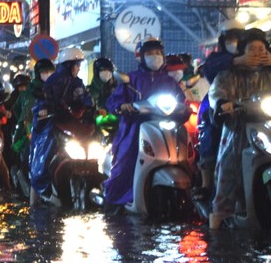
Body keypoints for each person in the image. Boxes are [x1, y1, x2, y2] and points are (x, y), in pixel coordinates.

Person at [208, 29, 271, 229]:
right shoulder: (228, 74)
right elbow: (216, 93)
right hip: (238, 131)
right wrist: (222, 104)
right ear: (242, 51)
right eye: (252, 49)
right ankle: (217, 221)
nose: (257, 53)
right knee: (228, 172)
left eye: (261, 49)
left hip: (269, 131)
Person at [103, 39, 184, 212]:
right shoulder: (131, 79)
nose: (155, 57)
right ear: (141, 57)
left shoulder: (169, 81)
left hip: (162, 126)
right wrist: (122, 106)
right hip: (135, 127)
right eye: (150, 54)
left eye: (158, 53)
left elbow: (181, 101)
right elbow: (114, 101)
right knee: (126, 162)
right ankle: (114, 200)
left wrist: (184, 109)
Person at [31, 47, 92, 202]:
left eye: (79, 65)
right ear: (69, 65)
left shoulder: (78, 82)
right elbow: (43, 100)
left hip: (72, 125)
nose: (78, 68)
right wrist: (44, 109)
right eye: (77, 65)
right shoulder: (53, 82)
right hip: (51, 124)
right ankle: (34, 202)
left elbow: (86, 98)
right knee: (41, 160)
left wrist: (91, 108)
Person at [11, 59, 54, 162]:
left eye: (50, 72)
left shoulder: (57, 88)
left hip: (55, 127)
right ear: (38, 74)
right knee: (30, 153)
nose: (48, 74)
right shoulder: (30, 91)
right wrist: (26, 125)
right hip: (35, 128)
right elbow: (20, 111)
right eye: (45, 72)